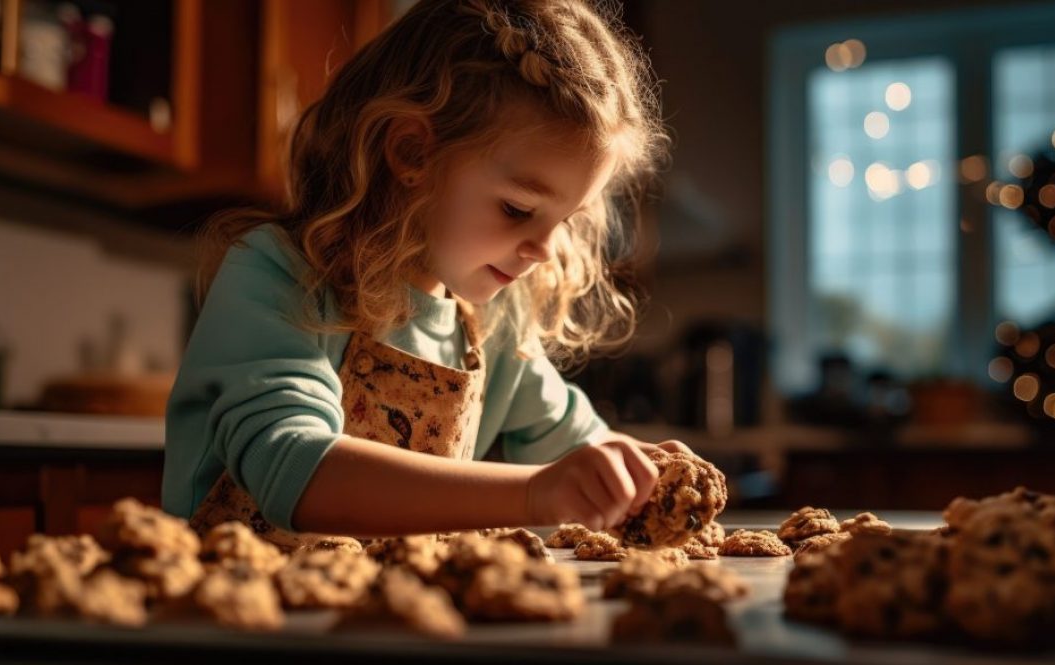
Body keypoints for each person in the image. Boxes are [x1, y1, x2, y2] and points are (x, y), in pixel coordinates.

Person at [162, 0, 689, 545]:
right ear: (412, 152)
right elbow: (294, 470)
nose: (546, 250)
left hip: (394, 622)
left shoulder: (494, 321)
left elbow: (579, 454)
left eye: (566, 220)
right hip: (235, 618)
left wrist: (634, 475)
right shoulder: (280, 276)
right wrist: (532, 493)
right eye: (517, 209)